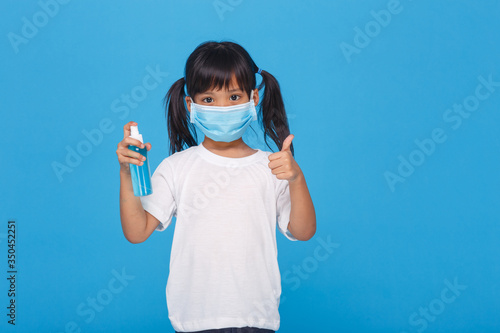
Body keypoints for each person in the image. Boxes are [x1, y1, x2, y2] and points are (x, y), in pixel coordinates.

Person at [116, 41, 316, 333]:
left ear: (254, 97)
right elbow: (136, 232)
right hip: (195, 320)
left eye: (234, 96)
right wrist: (126, 173)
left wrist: (297, 179)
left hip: (256, 319)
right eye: (209, 100)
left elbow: (303, 231)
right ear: (190, 104)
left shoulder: (272, 168)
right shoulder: (176, 167)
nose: (223, 108)